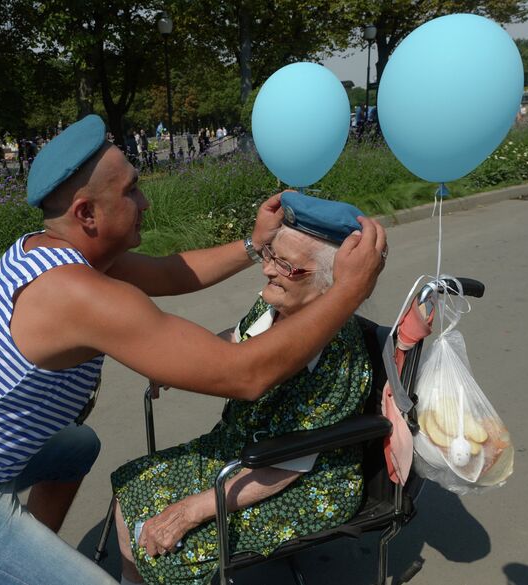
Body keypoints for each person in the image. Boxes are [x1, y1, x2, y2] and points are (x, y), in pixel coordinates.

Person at [0, 115, 386, 585]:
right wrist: (348, 289)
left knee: (79, 446)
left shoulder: (56, 252)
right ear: (88, 213)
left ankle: (18, 557)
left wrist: (253, 245)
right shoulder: (76, 294)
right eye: (132, 191)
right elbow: (243, 375)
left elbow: (168, 273)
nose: (146, 202)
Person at [111, 194, 377, 585]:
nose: (267, 269)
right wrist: (180, 367)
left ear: (333, 284)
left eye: (285, 264)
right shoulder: (276, 304)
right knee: (132, 486)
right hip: (239, 452)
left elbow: (290, 464)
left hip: (302, 479)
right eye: (270, 254)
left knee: (170, 556)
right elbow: (235, 341)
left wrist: (191, 510)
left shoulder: (337, 357)